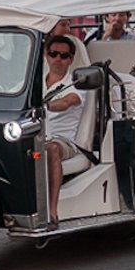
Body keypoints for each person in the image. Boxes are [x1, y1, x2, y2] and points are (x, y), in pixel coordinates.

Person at [41, 34, 86, 229]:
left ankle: (52, 211)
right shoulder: (33, 83)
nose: (58, 59)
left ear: (71, 59)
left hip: (63, 141)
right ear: (46, 55)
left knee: (51, 149)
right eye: (53, 54)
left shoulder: (76, 84)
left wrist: (46, 106)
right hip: (33, 134)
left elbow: (68, 102)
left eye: (64, 55)